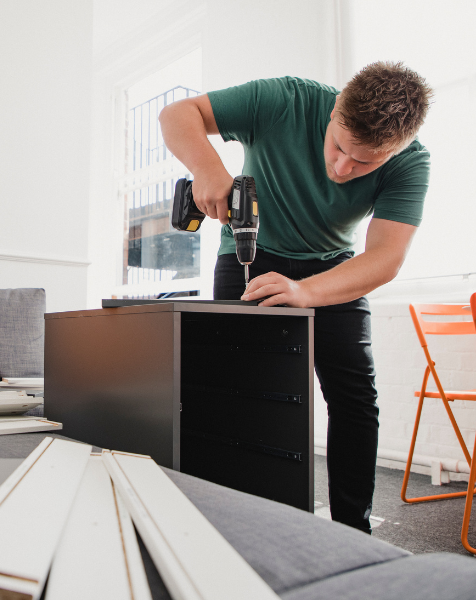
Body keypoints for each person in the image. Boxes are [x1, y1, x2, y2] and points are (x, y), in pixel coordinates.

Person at [159, 61, 432, 534]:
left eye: (364, 162)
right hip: (250, 250)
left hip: (335, 269)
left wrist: (306, 292)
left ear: (397, 149)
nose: (343, 168)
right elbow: (177, 114)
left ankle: (353, 532)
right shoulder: (283, 100)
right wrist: (207, 168)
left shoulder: (412, 163)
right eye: (339, 147)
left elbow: (385, 257)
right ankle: (233, 517)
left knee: (354, 398)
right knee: (238, 388)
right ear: (333, 112)